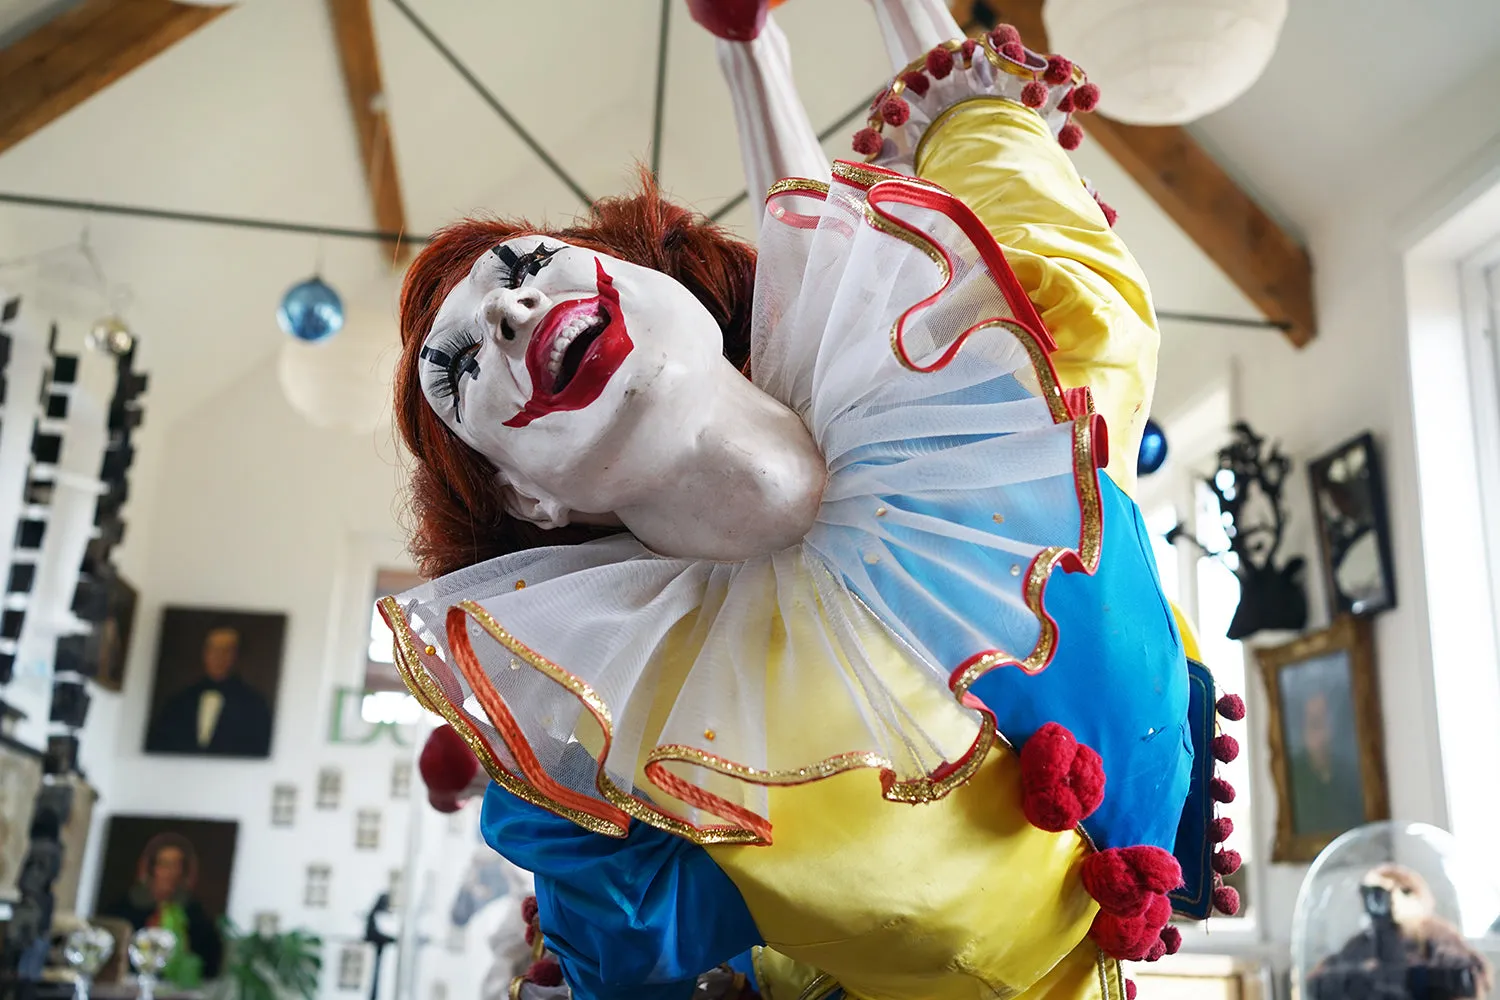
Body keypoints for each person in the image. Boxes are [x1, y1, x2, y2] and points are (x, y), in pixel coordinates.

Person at [379, 2, 1244, 997]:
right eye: (460, 367)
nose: (510, 308)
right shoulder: (658, 759)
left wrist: (773, 49)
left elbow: (985, 163)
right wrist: (540, 775)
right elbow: (628, 955)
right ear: (529, 500)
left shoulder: (1008, 389)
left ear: (668, 288)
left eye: (529, 266)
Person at [103, 833, 223, 984]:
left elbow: (210, 960)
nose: (170, 873)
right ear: (152, 868)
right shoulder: (125, 908)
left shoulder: (195, 913)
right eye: (164, 864)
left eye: (175, 866)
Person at [145, 626, 273, 757]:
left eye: (227, 650)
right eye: (213, 649)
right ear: (204, 653)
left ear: (238, 656)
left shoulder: (255, 705)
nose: (219, 656)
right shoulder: (179, 701)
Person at [1289, 691, 1367, 836]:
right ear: (1303, 732)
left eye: (1330, 723)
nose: (1327, 735)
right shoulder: (1295, 786)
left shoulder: (1353, 776)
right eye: (1317, 724)